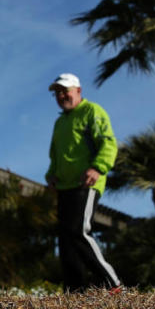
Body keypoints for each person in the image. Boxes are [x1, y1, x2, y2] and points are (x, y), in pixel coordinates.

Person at [45, 73, 122, 293]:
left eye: (65, 91)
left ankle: (112, 283)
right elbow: (55, 155)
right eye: (57, 92)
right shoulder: (59, 122)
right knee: (66, 240)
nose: (61, 96)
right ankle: (75, 292)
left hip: (86, 183)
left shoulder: (92, 111)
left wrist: (98, 167)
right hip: (64, 187)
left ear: (78, 91)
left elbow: (108, 142)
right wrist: (51, 174)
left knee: (78, 231)